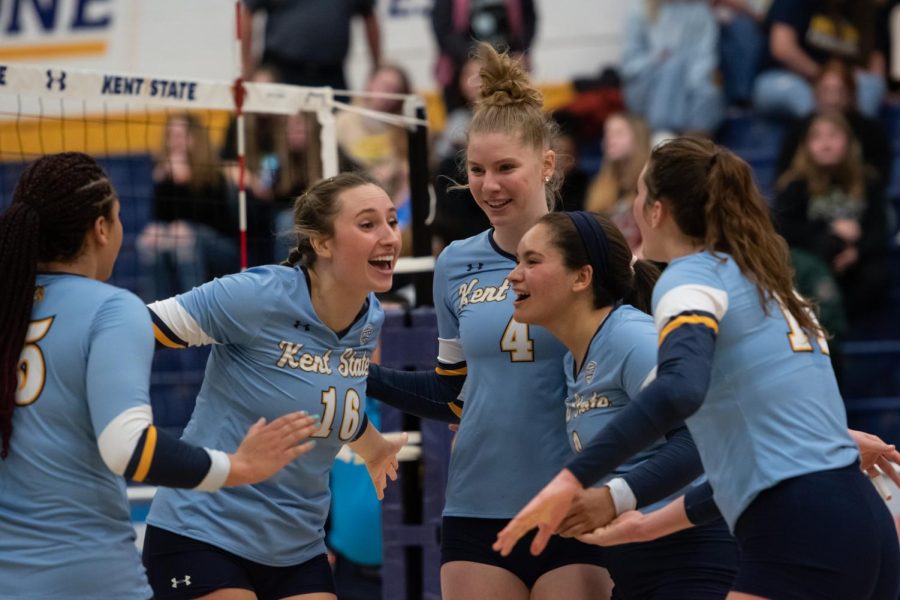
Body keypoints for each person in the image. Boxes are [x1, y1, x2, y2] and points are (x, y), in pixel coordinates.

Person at [494, 137, 900, 599]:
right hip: (861, 517)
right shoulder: (762, 280)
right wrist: (645, 526)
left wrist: (573, 478)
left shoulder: (689, 279)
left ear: (658, 210)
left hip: (798, 522)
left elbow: (679, 391)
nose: (635, 204)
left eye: (641, 193)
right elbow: (750, 458)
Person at [0, 152, 318, 599]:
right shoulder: (111, 308)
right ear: (101, 229)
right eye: (119, 216)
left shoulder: (10, 310)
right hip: (89, 577)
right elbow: (125, 446)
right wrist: (238, 467)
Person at [367, 43, 615, 600]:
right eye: (477, 170)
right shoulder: (455, 263)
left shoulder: (593, 250)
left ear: (547, 164)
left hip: (574, 501)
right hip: (477, 505)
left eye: (507, 168)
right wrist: (361, 372)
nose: (489, 185)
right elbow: (452, 395)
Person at [142, 173, 407, 599]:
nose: (389, 236)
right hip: (203, 532)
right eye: (368, 224)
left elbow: (330, 401)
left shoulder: (370, 316)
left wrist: (374, 449)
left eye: (392, 221)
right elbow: (133, 328)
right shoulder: (257, 295)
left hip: (297, 549)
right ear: (322, 243)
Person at [505, 210, 739, 597]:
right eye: (516, 261)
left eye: (531, 261)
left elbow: (703, 438)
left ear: (582, 277)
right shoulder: (574, 358)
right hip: (635, 563)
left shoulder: (631, 337)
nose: (513, 275)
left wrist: (612, 497)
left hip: (694, 552)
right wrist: (366, 375)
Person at [774, 110, 891, 324]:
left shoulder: (868, 180)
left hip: (858, 259)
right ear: (805, 145)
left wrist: (856, 252)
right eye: (817, 137)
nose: (825, 144)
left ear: (849, 142)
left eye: (833, 136)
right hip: (815, 258)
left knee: (876, 273)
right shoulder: (793, 183)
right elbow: (785, 228)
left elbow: (879, 227)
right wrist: (831, 229)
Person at [137, 113, 237, 300]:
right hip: (179, 240)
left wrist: (185, 182)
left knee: (183, 236)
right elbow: (162, 219)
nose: (176, 141)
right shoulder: (164, 173)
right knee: (151, 238)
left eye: (181, 135)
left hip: (221, 246)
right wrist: (167, 183)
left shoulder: (213, 173)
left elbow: (214, 220)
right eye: (171, 135)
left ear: (195, 138)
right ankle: (157, 314)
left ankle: (193, 314)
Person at [753, 0, 887, 118]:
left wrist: (843, 81)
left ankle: (853, 139)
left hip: (844, 83)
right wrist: (826, 77)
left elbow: (876, 68)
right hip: (788, 78)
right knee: (799, 93)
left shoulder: (868, 8)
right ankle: (823, 135)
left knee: (871, 85)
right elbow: (782, 49)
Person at [776, 60, 893, 184]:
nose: (833, 100)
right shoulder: (800, 128)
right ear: (815, 93)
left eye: (840, 91)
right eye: (826, 91)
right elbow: (784, 179)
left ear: (852, 94)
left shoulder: (870, 130)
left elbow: (880, 177)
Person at [620, 0, 725, 137]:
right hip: (648, 86)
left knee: (706, 90)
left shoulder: (700, 10)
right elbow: (629, 65)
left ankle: (693, 142)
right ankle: (663, 136)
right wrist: (656, 59)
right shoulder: (639, 10)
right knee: (672, 68)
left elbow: (705, 58)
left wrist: (692, 81)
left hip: (691, 85)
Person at [240, 0, 380, 90]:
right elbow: (247, 13)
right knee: (276, 130)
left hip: (331, 74)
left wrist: (376, 70)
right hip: (281, 70)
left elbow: (369, 16)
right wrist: (248, 68)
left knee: (337, 128)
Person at [584, 112, 651, 250]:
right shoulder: (600, 184)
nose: (609, 139)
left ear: (638, 138)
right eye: (607, 134)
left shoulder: (651, 182)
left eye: (618, 133)